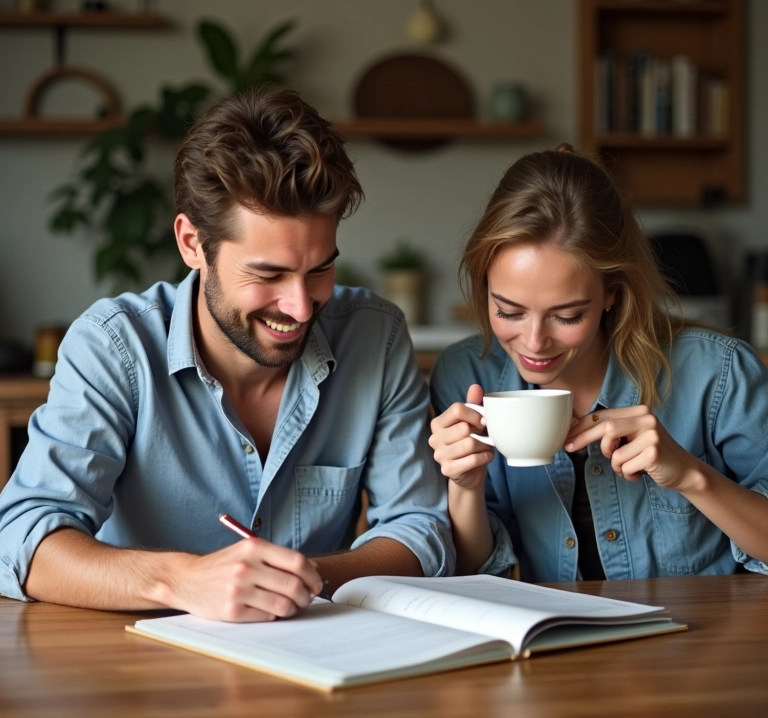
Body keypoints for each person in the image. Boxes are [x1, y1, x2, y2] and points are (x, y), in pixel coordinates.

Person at [0, 89, 454, 620]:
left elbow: (421, 529)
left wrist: (296, 582)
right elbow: (21, 537)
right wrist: (180, 581)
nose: (302, 308)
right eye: (268, 275)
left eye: (320, 270)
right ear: (192, 243)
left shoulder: (375, 336)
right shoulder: (113, 346)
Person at [429, 143, 768, 582]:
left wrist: (690, 476)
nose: (533, 342)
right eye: (508, 311)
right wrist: (465, 487)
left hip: (701, 640)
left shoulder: (716, 374)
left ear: (612, 292)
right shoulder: (466, 376)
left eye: (567, 315)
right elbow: (470, 570)